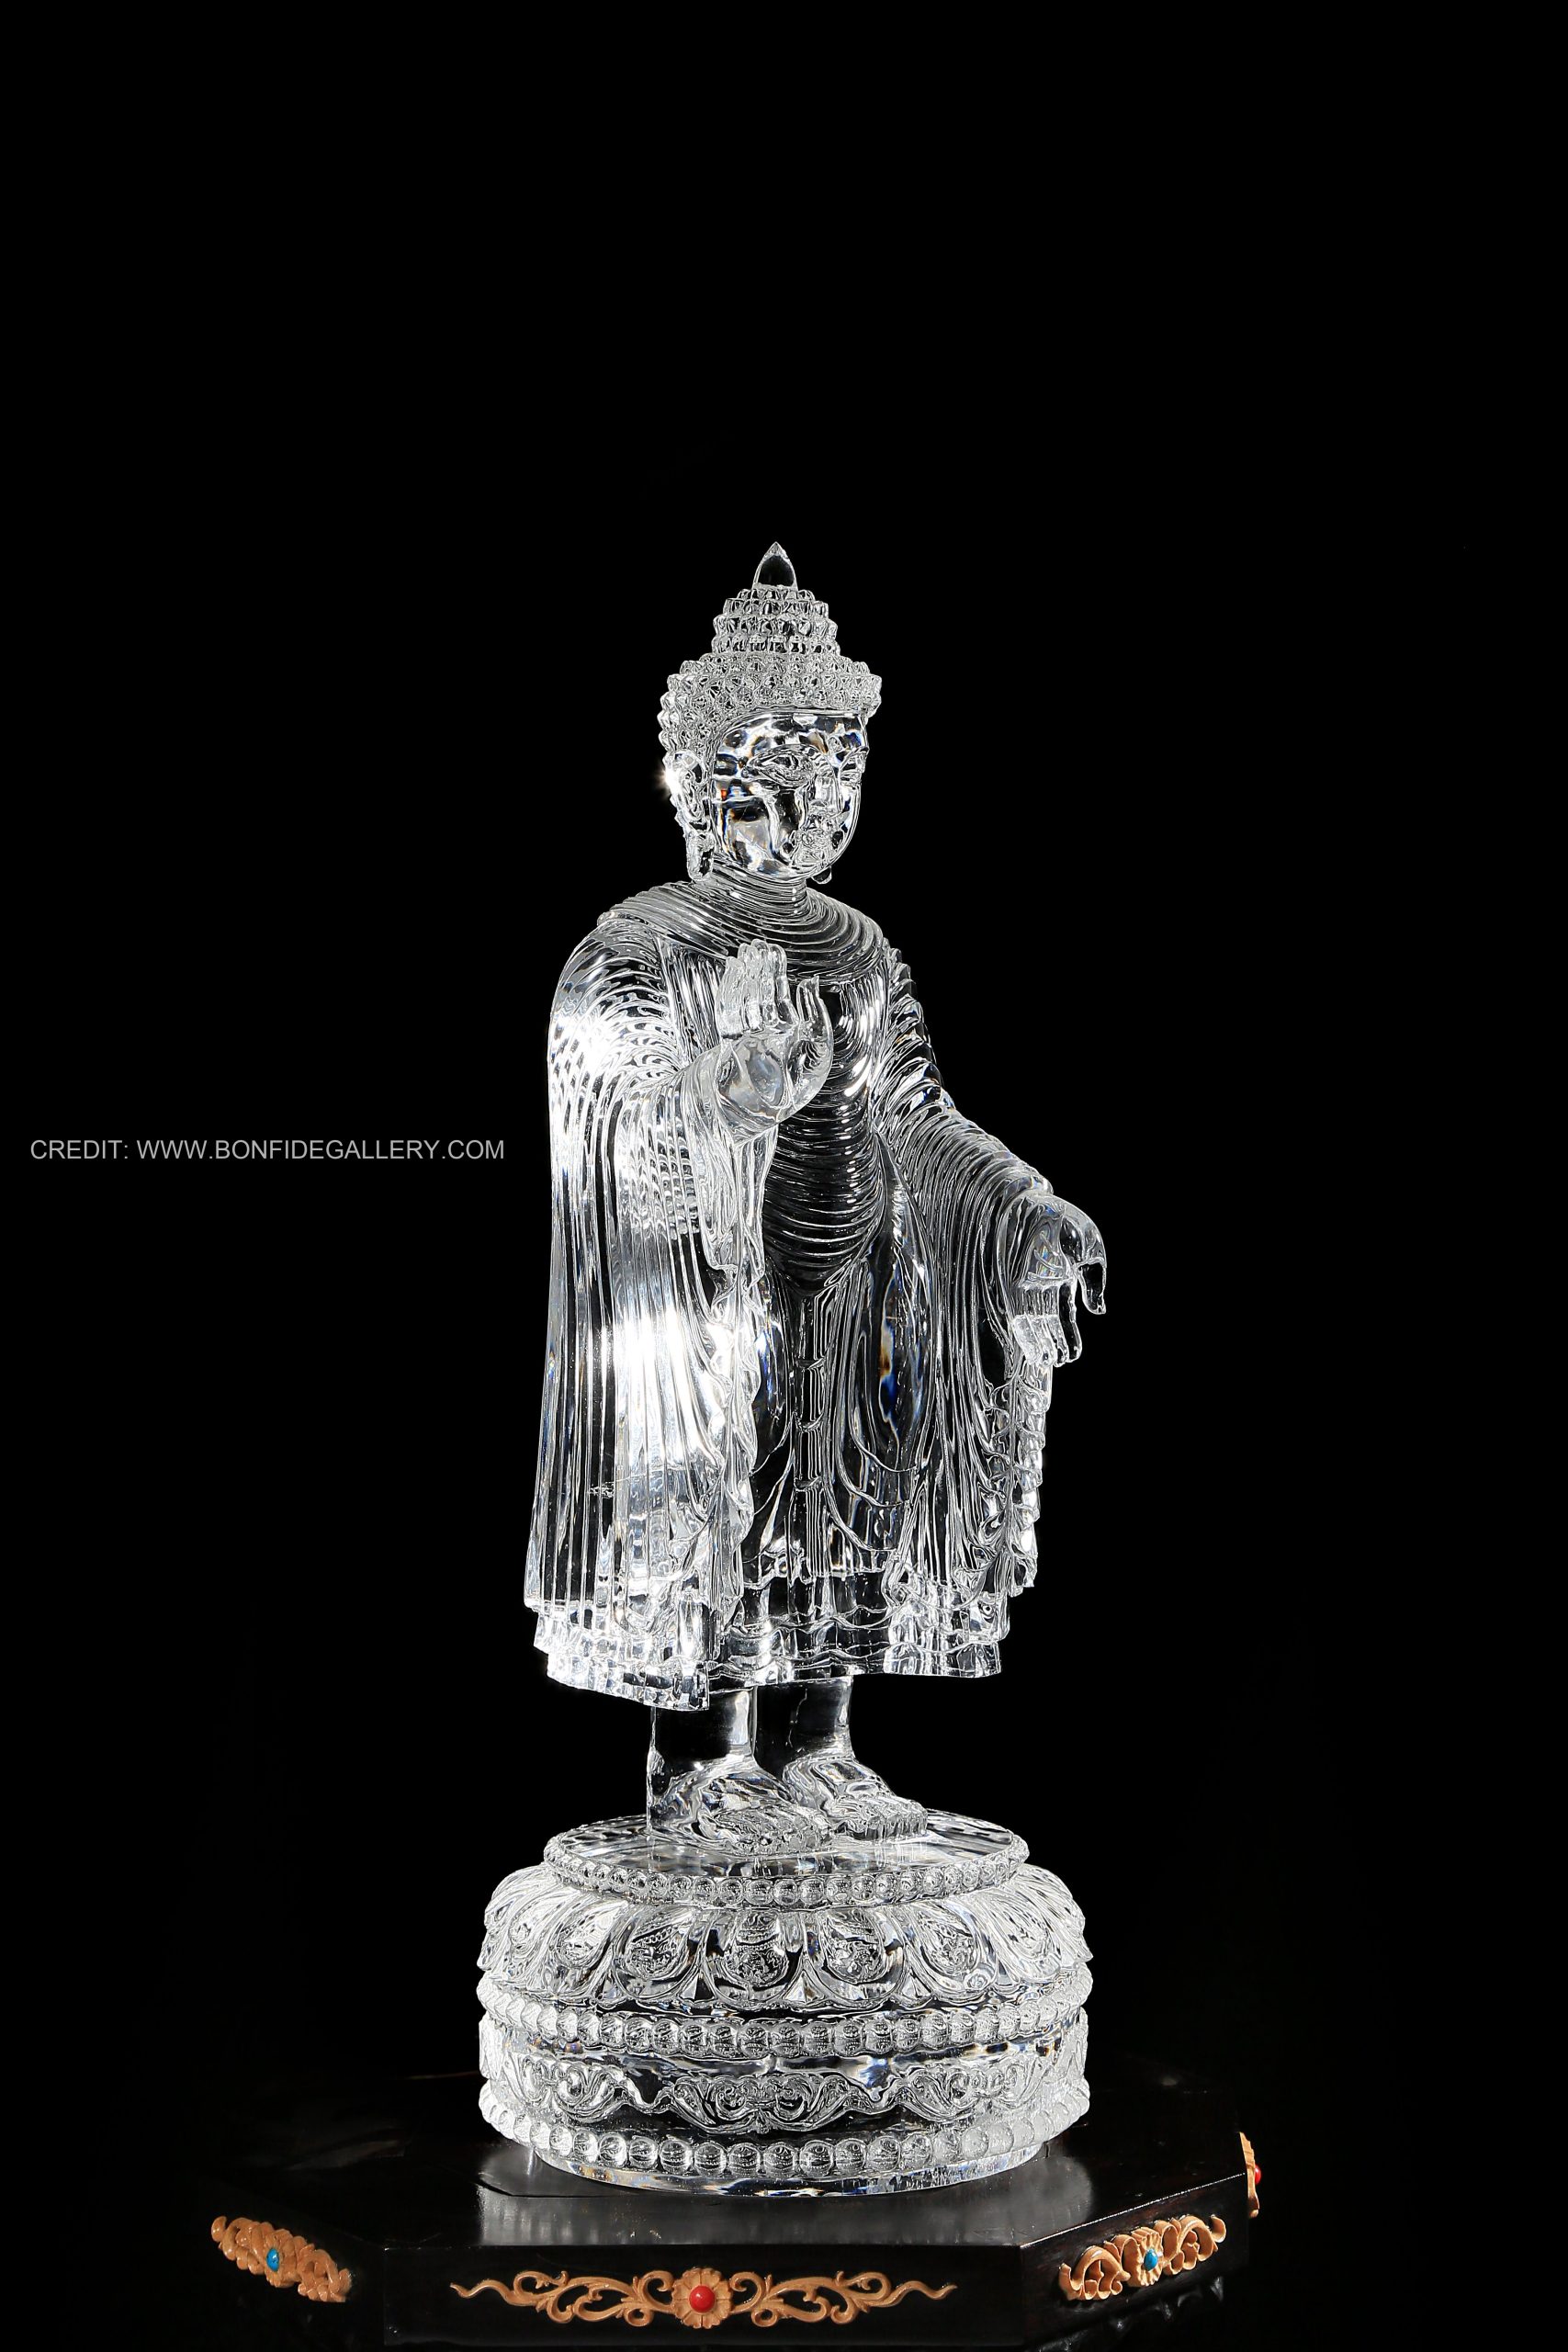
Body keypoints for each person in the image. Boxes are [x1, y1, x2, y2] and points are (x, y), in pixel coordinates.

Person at [525, 547, 1104, 1851]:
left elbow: (916, 1113)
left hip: (847, 1294)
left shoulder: (858, 949)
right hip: (702, 1296)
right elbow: (611, 1097)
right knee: (712, 1505)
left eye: (839, 774)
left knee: (837, 1501)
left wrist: (1023, 1207)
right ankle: (701, 1759)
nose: (810, 808)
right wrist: (727, 1097)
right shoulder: (641, 942)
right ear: (710, 785)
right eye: (782, 778)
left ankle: (818, 1745)